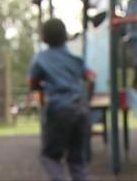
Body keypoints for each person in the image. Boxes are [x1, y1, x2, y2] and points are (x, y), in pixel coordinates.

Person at [28, 19, 96, 181]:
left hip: (59, 109)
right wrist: (87, 100)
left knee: (50, 156)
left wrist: (40, 89)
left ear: (44, 37)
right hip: (81, 110)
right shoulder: (74, 58)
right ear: (65, 36)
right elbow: (91, 78)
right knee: (77, 160)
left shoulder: (41, 58)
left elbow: (32, 83)